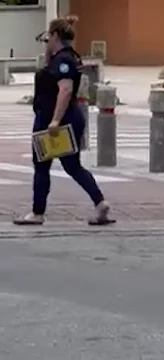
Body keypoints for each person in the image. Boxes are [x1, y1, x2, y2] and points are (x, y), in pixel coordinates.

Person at [13, 16, 114, 227]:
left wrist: (55, 121)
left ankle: (37, 213)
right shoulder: (66, 57)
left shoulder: (63, 61)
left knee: (42, 166)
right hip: (65, 119)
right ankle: (99, 202)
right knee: (72, 166)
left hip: (56, 121)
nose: (46, 42)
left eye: (48, 38)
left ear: (56, 36)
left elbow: (65, 89)